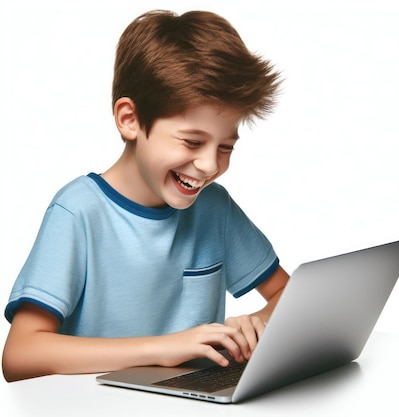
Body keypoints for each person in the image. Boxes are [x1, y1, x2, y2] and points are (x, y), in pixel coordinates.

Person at [2, 9, 288, 382]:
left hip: (192, 402)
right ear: (130, 119)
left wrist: (258, 322)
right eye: (192, 141)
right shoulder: (78, 212)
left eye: (225, 147)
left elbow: (288, 292)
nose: (207, 165)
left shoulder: (214, 208)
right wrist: (164, 348)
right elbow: (20, 354)